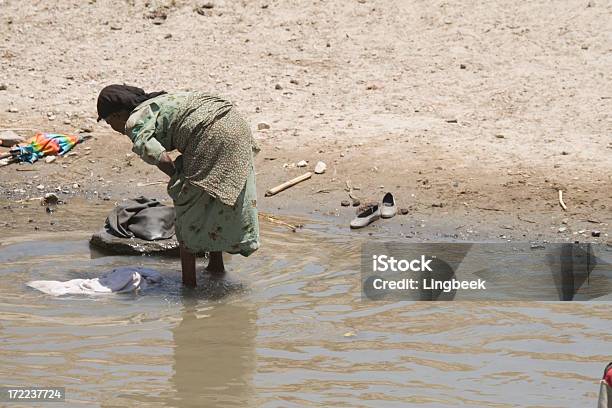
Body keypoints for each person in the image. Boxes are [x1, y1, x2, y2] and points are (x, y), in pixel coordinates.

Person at [96, 84, 260, 287]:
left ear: (117, 115)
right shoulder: (159, 101)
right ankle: (216, 267)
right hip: (234, 123)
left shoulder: (134, 121)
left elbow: (157, 155)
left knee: (187, 207)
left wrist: (177, 176)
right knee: (212, 198)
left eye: (108, 121)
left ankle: (189, 287)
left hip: (210, 134)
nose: (113, 128)